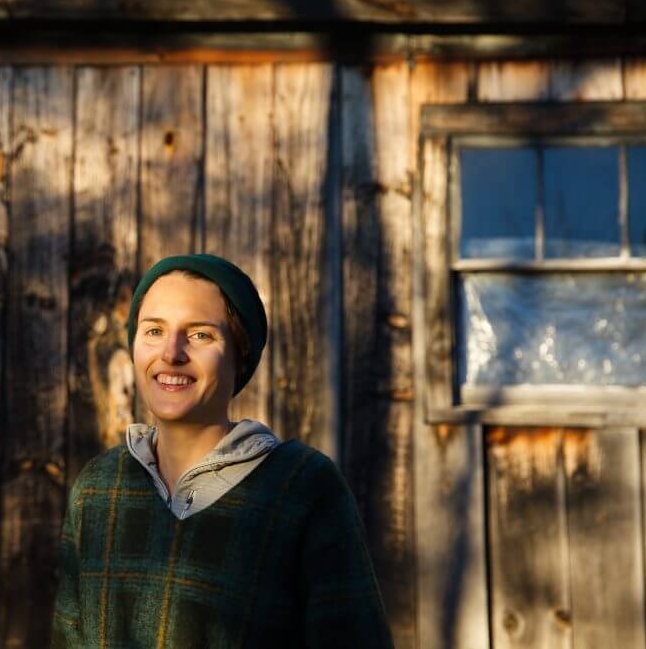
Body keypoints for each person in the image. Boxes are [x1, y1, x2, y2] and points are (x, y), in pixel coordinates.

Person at [51, 253, 393, 648]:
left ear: (239, 354)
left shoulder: (303, 488)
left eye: (200, 335)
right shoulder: (98, 488)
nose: (171, 353)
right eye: (154, 331)